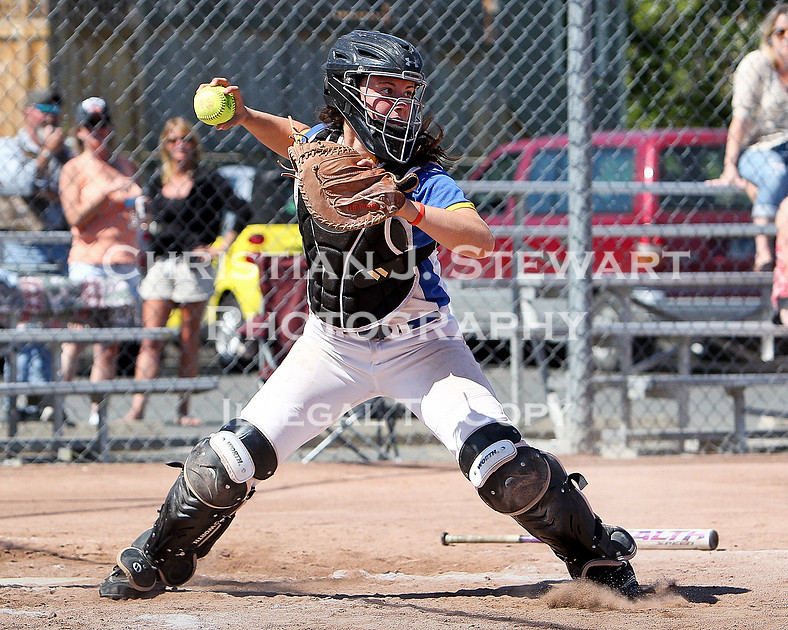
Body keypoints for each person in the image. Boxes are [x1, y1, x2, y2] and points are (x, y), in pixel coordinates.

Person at [98, 31, 640, 601]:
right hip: (332, 348)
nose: (400, 103)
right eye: (385, 90)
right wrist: (243, 114)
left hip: (423, 348)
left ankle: (596, 554)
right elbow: (289, 136)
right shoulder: (319, 150)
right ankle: (161, 554)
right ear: (348, 91)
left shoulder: (421, 176)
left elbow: (478, 238)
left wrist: (407, 207)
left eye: (408, 92)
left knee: (507, 469)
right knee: (226, 461)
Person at [119, 117, 250, 426]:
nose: (180, 145)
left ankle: (183, 409)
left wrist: (220, 246)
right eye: (173, 140)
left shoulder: (208, 179)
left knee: (189, 340)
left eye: (186, 139)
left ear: (195, 144)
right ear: (165, 145)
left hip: (194, 265)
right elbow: (150, 219)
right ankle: (137, 408)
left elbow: (242, 209)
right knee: (152, 338)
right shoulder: (157, 180)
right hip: (162, 262)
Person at [58, 97, 142, 425]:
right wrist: (107, 191)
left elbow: (136, 212)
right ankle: (57, 406)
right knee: (76, 337)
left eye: (103, 124)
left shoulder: (125, 166)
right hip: (89, 262)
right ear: (79, 131)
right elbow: (74, 218)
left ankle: (97, 414)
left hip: (123, 263)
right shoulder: (73, 169)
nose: (98, 131)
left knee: (108, 344)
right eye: (90, 126)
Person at [0, 88, 72, 422]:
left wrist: (52, 166)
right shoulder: (8, 148)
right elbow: (20, 184)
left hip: (57, 250)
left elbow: (69, 192)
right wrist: (45, 155)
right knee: (23, 324)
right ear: (27, 112)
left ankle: (41, 402)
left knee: (51, 326)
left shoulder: (66, 152)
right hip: (19, 250)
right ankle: (17, 403)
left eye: (55, 110)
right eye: (43, 109)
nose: (50, 117)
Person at [712, 4, 788, 271]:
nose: (787, 38)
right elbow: (741, 119)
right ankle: (763, 249)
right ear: (770, 35)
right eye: (781, 32)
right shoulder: (757, 64)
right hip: (759, 150)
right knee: (776, 173)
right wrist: (729, 165)